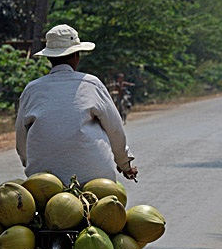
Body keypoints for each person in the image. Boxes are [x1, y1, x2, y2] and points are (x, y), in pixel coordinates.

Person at [15, 24, 138, 186]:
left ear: (49, 58)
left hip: (44, 181)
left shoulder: (32, 89)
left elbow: (21, 139)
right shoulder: (91, 84)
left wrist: (30, 163)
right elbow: (115, 130)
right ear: (76, 56)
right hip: (95, 180)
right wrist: (125, 164)